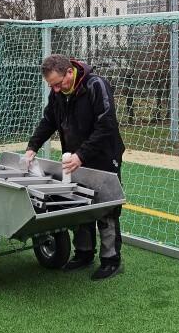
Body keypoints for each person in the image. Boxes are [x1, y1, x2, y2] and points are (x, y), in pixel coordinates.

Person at [25, 54, 126, 280]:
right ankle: (84, 253)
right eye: (52, 86)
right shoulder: (58, 94)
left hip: (103, 155)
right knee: (78, 202)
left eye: (58, 83)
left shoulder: (95, 85)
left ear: (69, 72)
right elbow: (49, 121)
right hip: (75, 157)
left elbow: (106, 124)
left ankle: (111, 260)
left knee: (106, 207)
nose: (56, 90)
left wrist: (82, 155)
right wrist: (33, 146)